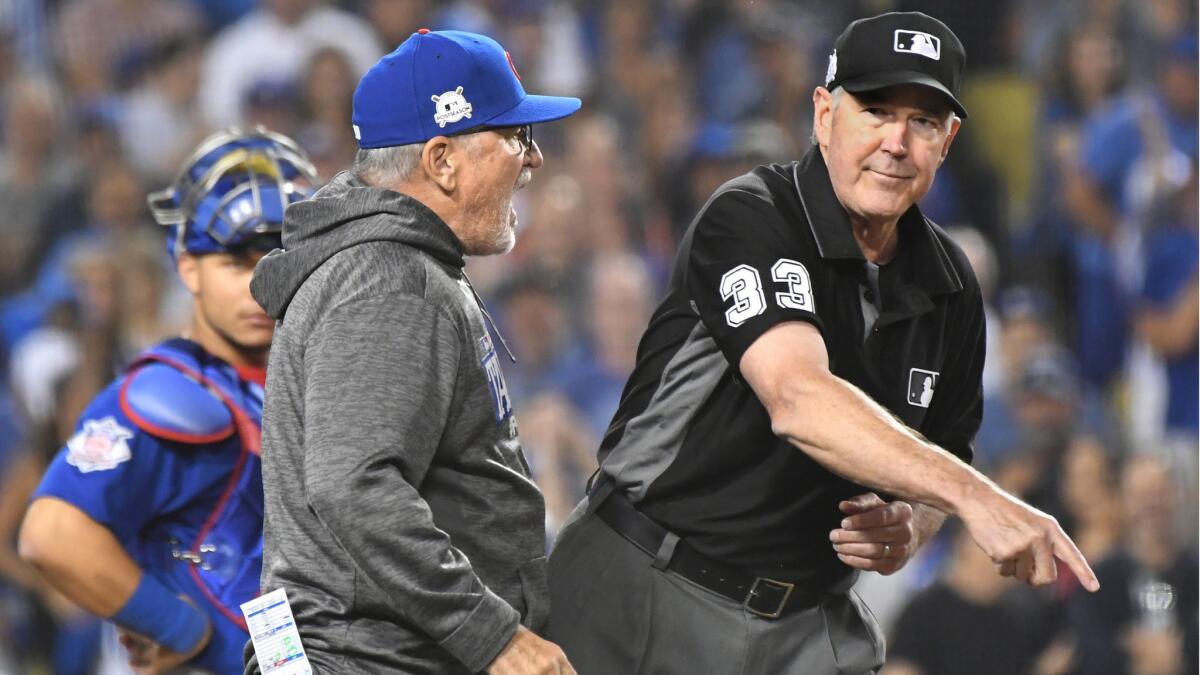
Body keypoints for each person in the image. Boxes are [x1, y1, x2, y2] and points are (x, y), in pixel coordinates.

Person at [546, 12, 1099, 674]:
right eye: (876, 109)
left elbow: (943, 450)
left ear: (948, 140)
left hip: (806, 621)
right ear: (825, 114)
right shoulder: (752, 215)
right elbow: (797, 396)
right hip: (644, 583)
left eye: (923, 121)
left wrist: (908, 522)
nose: (896, 141)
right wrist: (976, 495)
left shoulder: (952, 286)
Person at [246, 29, 580, 674]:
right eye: (514, 137)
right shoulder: (391, 280)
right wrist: (494, 637)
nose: (533, 158)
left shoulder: (381, 265)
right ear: (442, 159)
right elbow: (353, 487)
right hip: (365, 658)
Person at [17, 127, 319, 674]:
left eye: (276, 259)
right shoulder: (171, 393)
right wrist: (178, 627)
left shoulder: (304, 377)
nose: (259, 284)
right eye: (234, 262)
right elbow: (52, 533)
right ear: (187, 264)